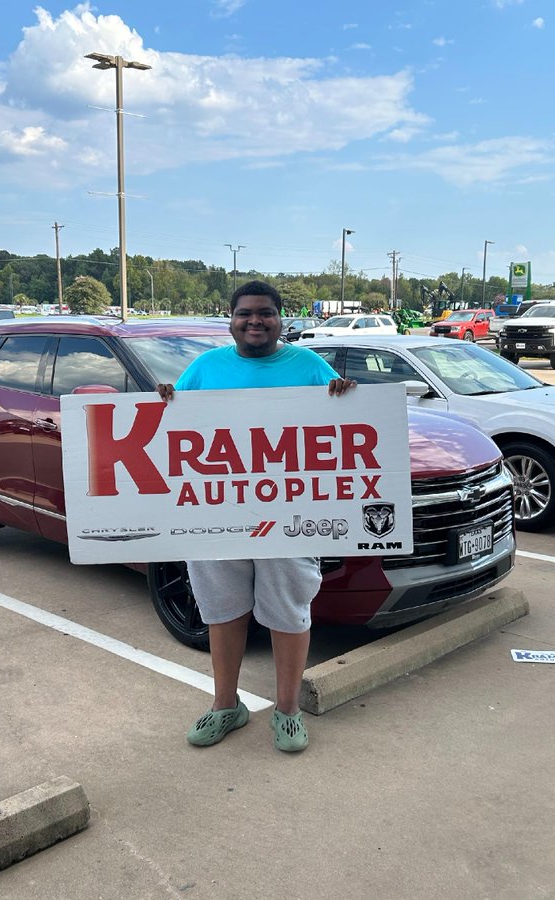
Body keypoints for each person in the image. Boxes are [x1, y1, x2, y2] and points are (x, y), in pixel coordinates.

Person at [156, 280, 355, 753]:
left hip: (291, 514)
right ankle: (226, 706)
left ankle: (287, 712)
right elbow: (171, 430)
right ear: (231, 318)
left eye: (265, 313)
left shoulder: (308, 366)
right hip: (216, 514)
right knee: (222, 611)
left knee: (289, 611)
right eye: (245, 313)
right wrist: (164, 400)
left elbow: (344, 422)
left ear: (281, 318)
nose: (255, 321)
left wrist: (346, 395)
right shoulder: (205, 368)